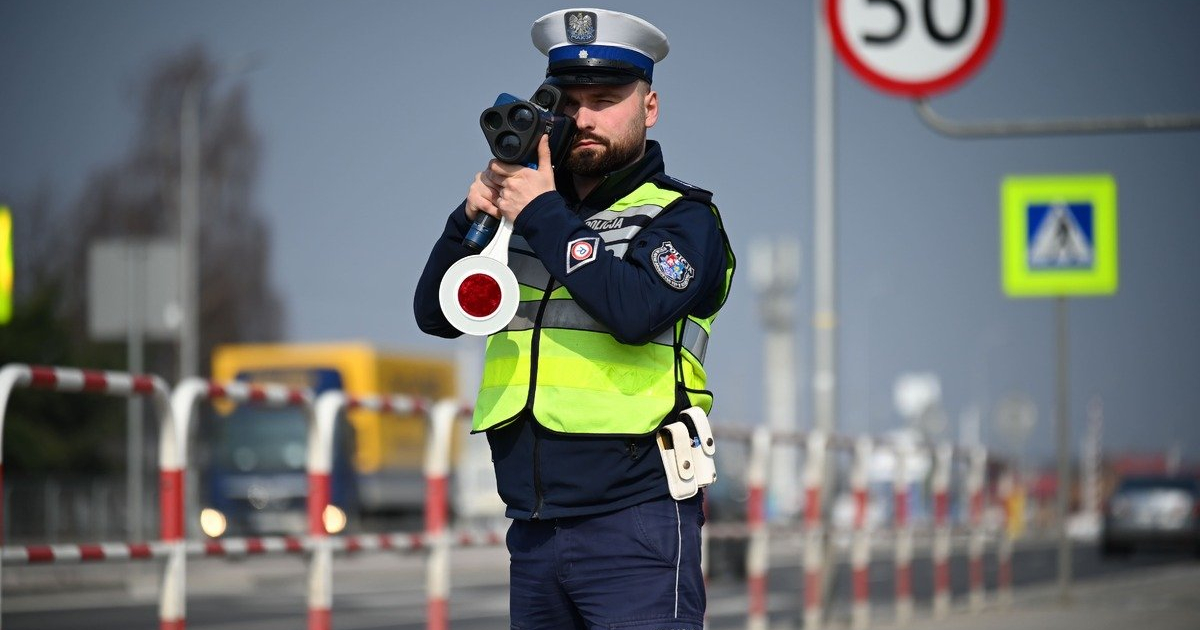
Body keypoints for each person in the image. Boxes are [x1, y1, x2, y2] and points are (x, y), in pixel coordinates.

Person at [414, 8, 735, 629]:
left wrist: (538, 211)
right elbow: (435, 315)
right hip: (533, 527)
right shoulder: (529, 216)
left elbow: (634, 310)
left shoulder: (682, 219)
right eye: (569, 102)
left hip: (635, 518)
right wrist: (469, 217)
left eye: (606, 100)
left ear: (649, 108)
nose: (583, 118)